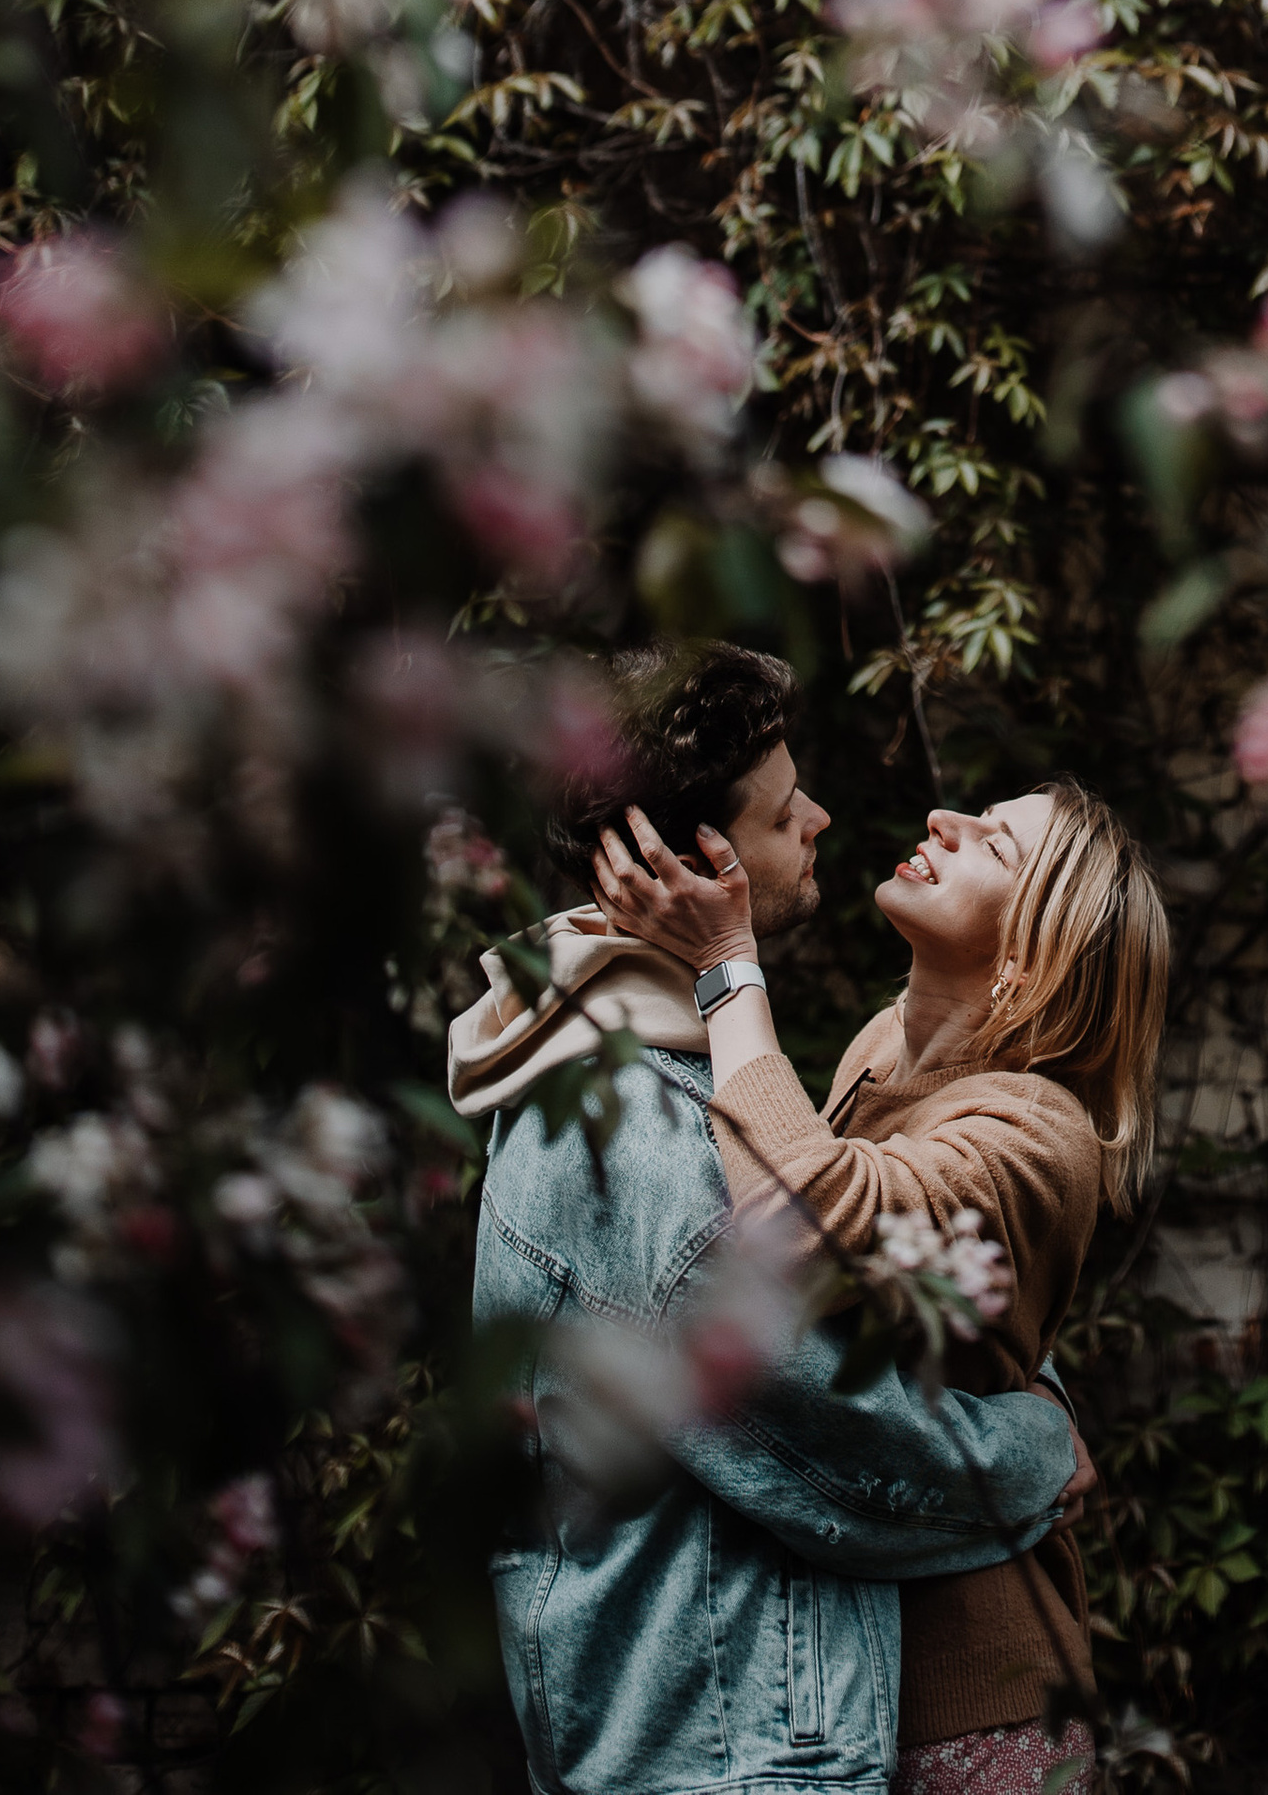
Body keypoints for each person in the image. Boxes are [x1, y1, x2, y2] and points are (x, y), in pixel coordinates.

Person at [449, 643, 1089, 1795]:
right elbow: (845, 1454)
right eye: (789, 810)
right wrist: (1040, 1447)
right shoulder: (643, 1139)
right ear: (698, 861)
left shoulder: (642, 1072)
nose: (823, 820)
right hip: (728, 1750)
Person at [595, 762, 1169, 1795]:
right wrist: (1036, 1393)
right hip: (845, 1661)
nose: (943, 820)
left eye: (993, 842)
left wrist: (730, 966)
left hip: (972, 1705)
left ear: (1035, 952)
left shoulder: (1041, 1128)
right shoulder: (881, 1045)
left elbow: (799, 1222)